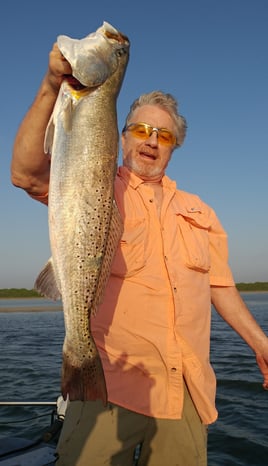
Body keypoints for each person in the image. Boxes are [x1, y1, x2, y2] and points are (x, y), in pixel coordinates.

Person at [11, 43, 268, 466]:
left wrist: (260, 344)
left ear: (175, 146)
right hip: (105, 384)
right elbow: (24, 173)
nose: (151, 142)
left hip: (183, 390)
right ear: (121, 134)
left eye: (164, 135)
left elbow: (220, 286)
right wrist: (50, 85)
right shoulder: (94, 181)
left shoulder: (201, 212)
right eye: (141, 130)